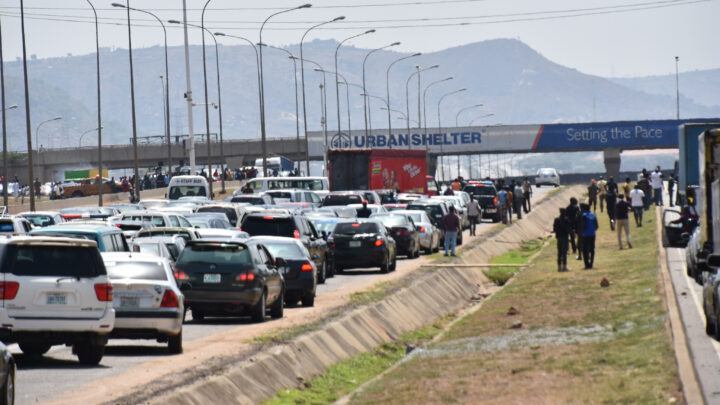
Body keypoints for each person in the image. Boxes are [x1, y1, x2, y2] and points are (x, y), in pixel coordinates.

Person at [580, 203, 599, 269]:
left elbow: (583, 225)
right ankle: (591, 264)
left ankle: (586, 264)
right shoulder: (593, 215)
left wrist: (582, 234)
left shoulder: (584, 215)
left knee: (585, 250)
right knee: (592, 249)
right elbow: (596, 226)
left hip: (586, 235)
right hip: (592, 234)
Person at [553, 208, 571, 272]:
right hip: (565, 238)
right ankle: (565, 267)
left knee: (559, 253)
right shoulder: (566, 219)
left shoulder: (556, 220)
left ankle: (559, 267)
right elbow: (569, 229)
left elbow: (554, 229)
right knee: (564, 253)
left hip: (559, 238)